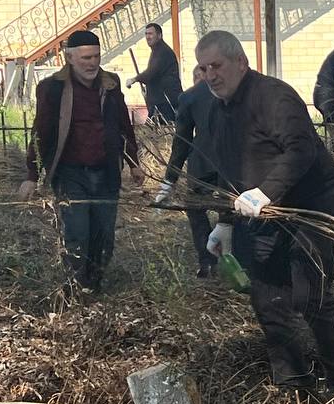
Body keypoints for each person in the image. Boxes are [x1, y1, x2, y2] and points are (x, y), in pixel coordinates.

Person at [196, 30, 334, 393]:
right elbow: (231, 171)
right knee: (267, 299)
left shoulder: (274, 96)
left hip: (313, 207)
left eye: (216, 66)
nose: (210, 76)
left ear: (241, 61)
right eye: (203, 69)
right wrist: (225, 223)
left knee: (308, 295)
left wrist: (265, 193)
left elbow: (300, 149)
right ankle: (292, 383)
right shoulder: (217, 112)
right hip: (265, 214)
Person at [19, 29, 143, 294]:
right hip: (71, 174)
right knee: (77, 233)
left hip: (106, 172)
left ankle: (94, 285)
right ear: (70, 58)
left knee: (103, 235)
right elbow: (41, 131)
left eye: (96, 56)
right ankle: (76, 287)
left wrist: (134, 162)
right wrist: (32, 174)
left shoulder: (111, 84)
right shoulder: (52, 88)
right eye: (86, 57)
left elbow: (124, 125)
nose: (92, 63)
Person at [155, 65, 223, 277]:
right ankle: (234, 259)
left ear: (197, 77)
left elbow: (181, 142)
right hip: (233, 165)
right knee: (232, 211)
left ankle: (207, 263)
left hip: (202, 164)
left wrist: (169, 180)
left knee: (196, 210)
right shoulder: (236, 89)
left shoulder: (191, 96)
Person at [127, 22, 183, 123]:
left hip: (166, 102)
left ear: (159, 35)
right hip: (160, 101)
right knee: (155, 133)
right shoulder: (157, 51)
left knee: (164, 133)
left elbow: (152, 72)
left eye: (151, 34)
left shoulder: (163, 52)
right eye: (146, 34)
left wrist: (134, 79)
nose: (148, 37)